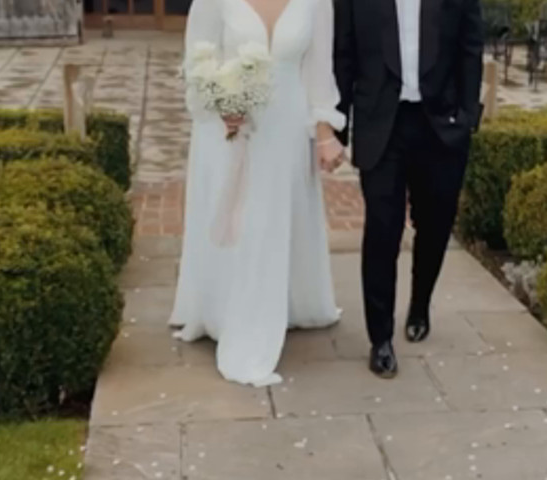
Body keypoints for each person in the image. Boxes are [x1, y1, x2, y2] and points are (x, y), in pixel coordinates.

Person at [170, 0, 348, 387]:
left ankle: (276, 306)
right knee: (238, 223)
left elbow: (318, 71)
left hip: (285, 124)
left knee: (270, 220)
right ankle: (228, 314)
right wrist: (221, 106)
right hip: (226, 129)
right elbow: (198, 58)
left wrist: (324, 133)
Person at [334, 0, 484, 378]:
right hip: (381, 124)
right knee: (383, 229)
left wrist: (467, 117)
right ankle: (380, 337)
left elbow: (470, 45)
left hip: (440, 123)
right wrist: (335, 129)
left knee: (435, 223)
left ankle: (420, 303)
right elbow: (344, 54)